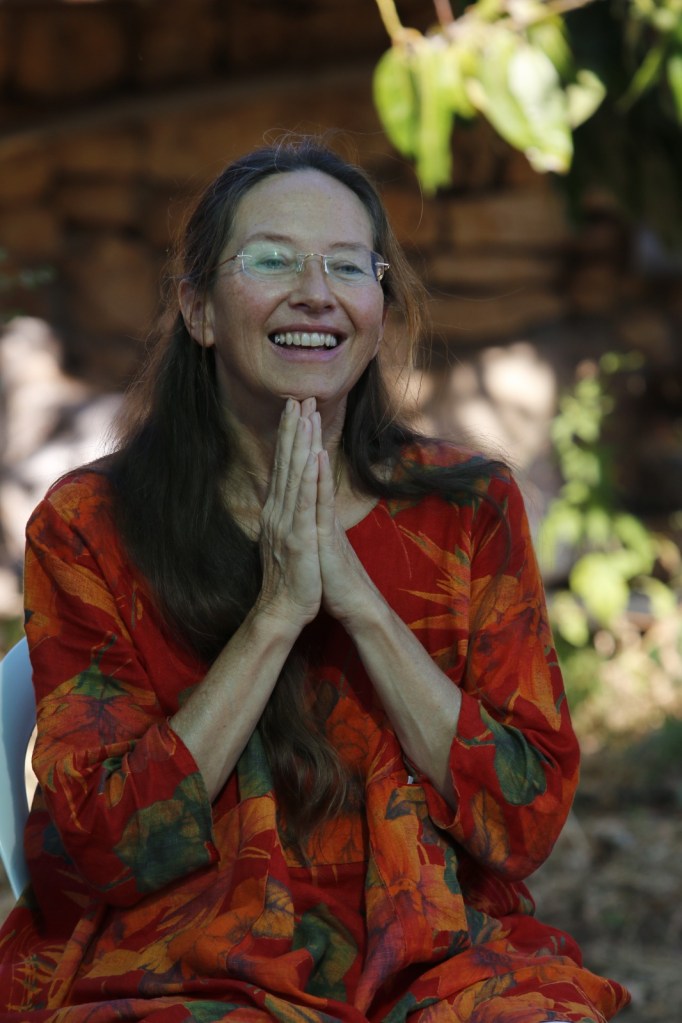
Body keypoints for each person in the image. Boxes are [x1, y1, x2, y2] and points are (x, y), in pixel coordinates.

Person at [0, 138, 630, 1023]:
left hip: (433, 957)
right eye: (272, 260)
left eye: (347, 264)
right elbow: (106, 848)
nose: (315, 292)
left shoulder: (467, 509)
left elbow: (521, 823)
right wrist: (275, 615)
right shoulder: (91, 526)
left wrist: (361, 605)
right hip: (182, 963)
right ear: (199, 309)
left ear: (378, 308)